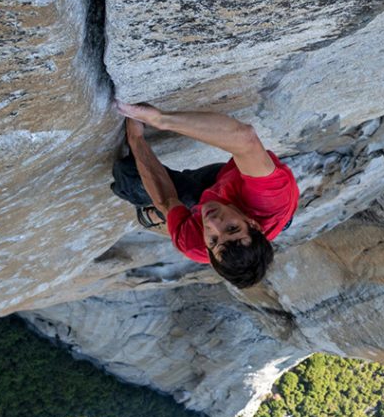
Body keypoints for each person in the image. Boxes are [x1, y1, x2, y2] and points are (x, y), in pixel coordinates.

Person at [110, 101, 299, 288]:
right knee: (197, 196)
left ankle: (155, 217)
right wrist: (160, 119)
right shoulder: (269, 200)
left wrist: (136, 138)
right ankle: (164, 214)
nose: (213, 223)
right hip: (230, 185)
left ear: (208, 252)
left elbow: (167, 201)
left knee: (130, 178)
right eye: (232, 228)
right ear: (252, 223)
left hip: (220, 196)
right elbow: (245, 140)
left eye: (214, 240)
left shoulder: (194, 245)